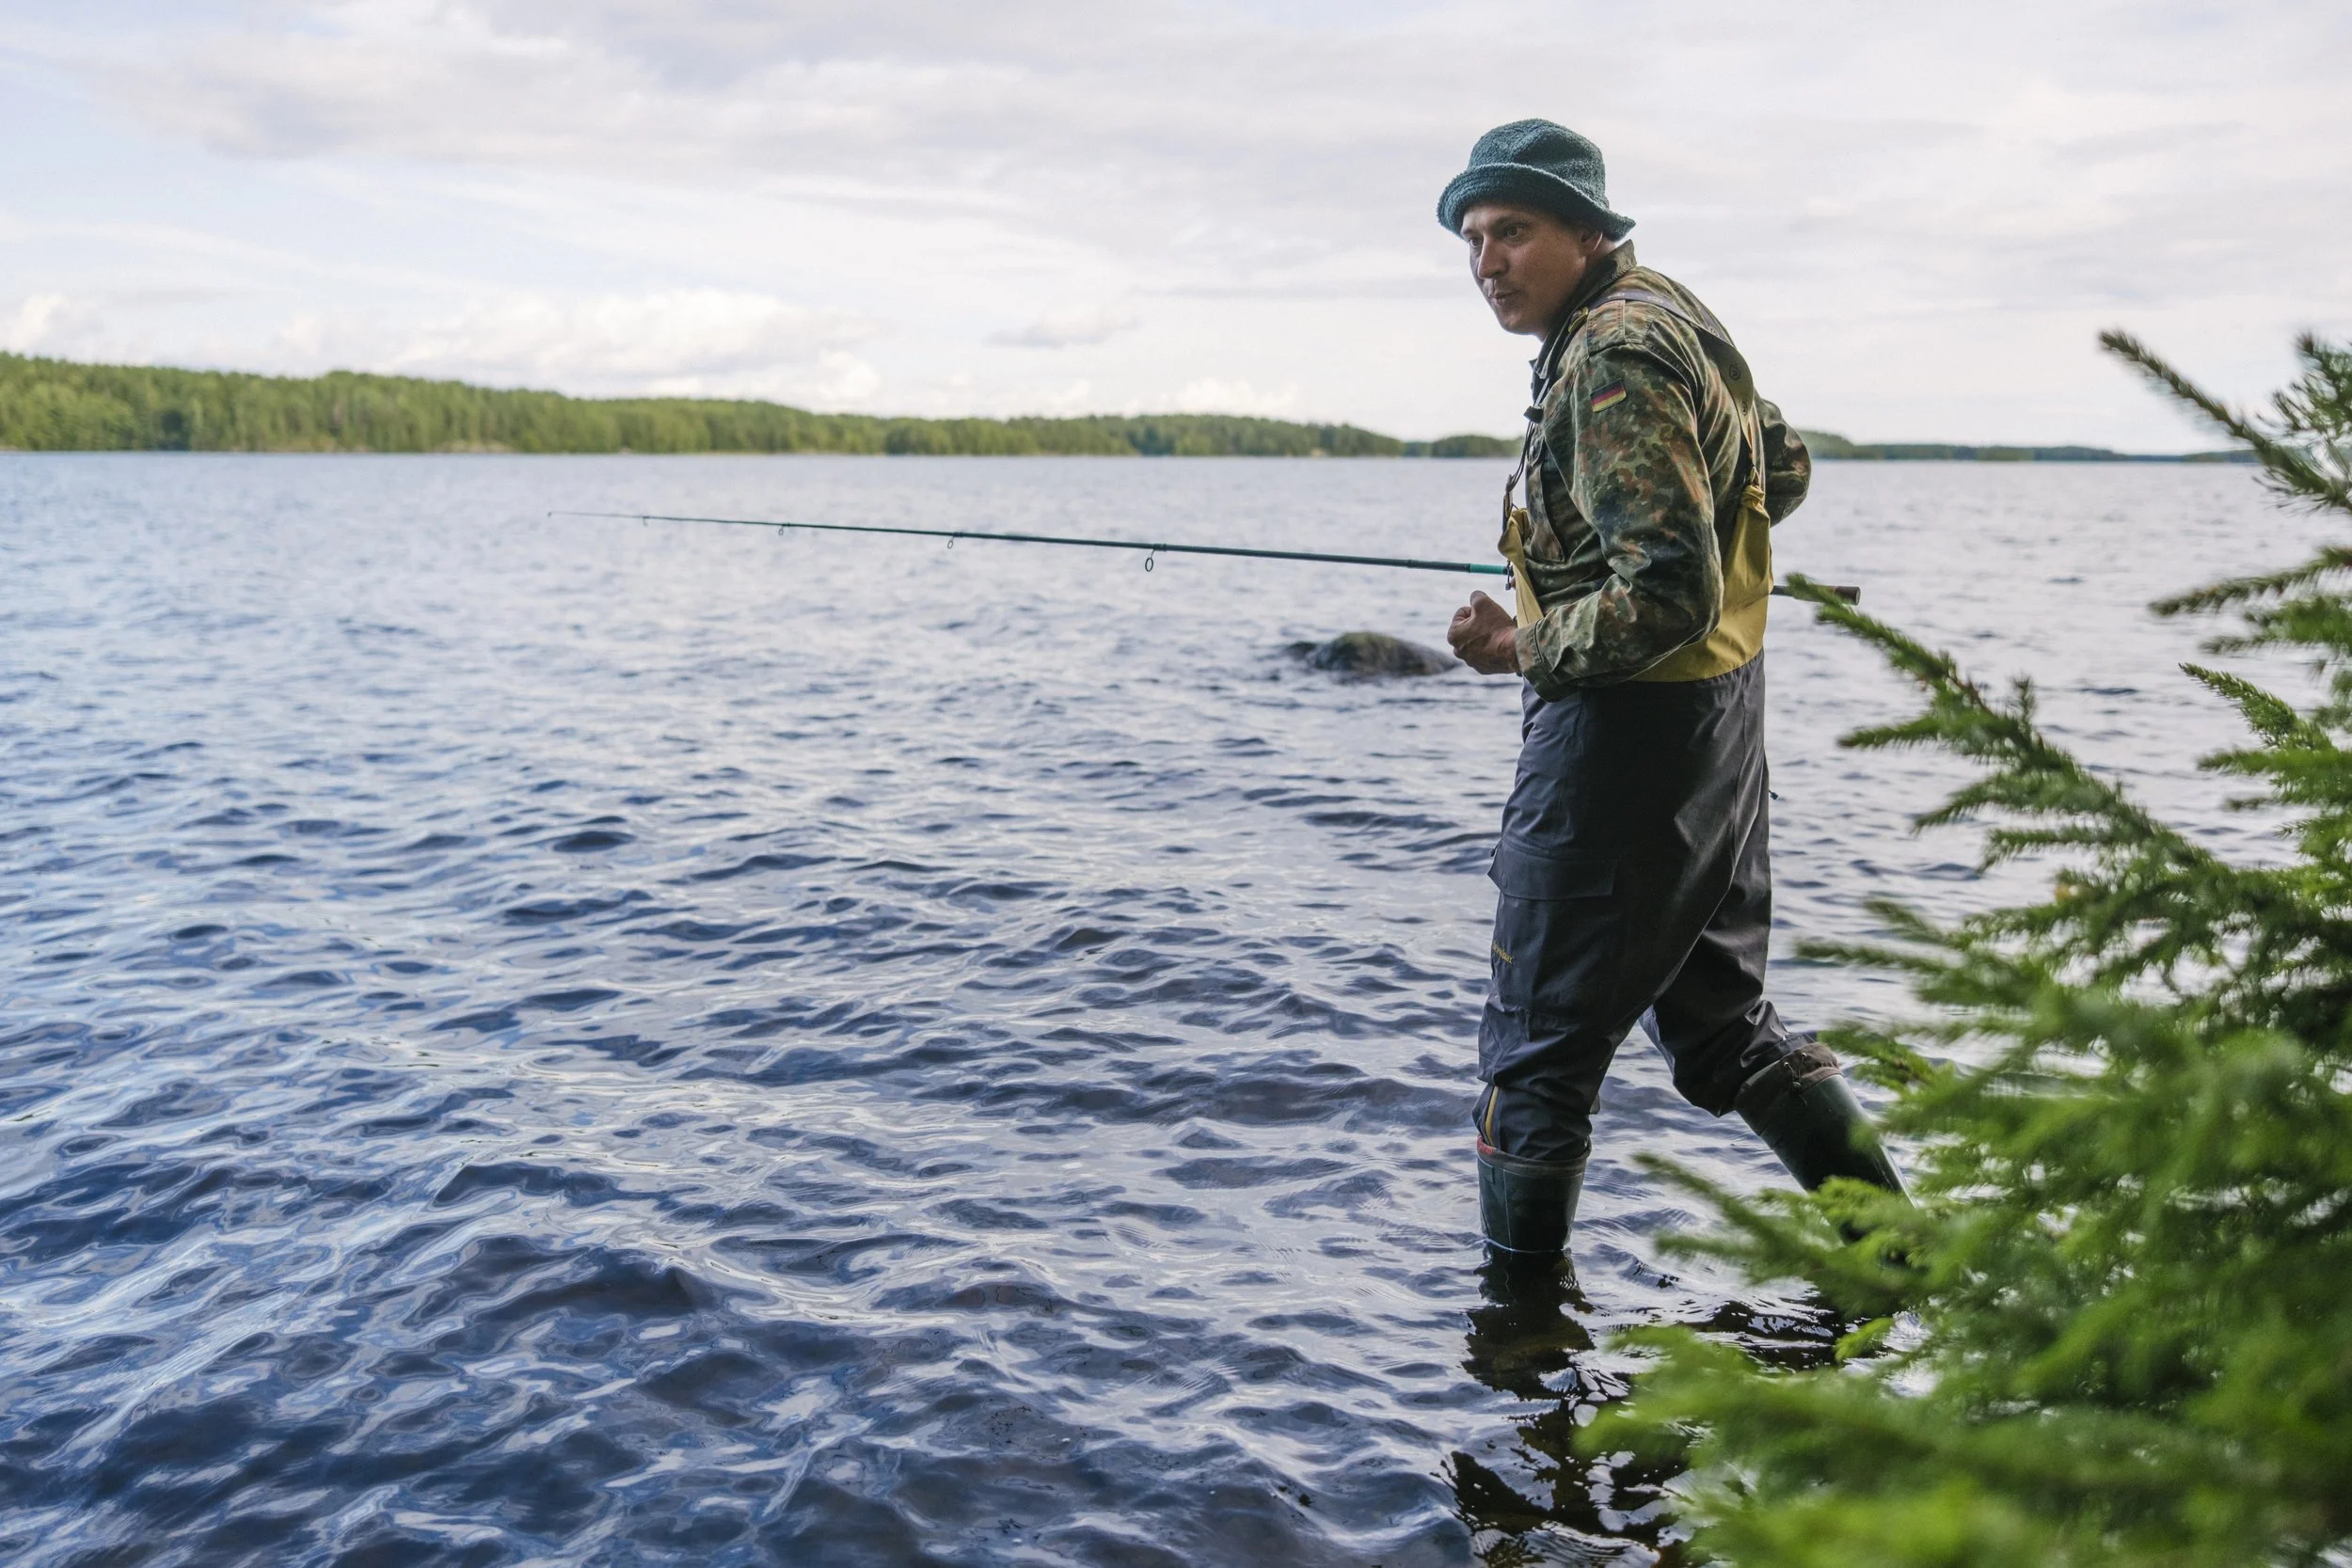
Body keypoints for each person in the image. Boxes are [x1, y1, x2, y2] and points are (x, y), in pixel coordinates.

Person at [1437, 119, 1904, 1261]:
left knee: (1535, 1061)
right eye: (1472, 238)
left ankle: (1522, 1358)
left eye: (1514, 232)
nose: (1487, 261)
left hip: (1621, 742)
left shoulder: (1608, 351)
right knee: (1724, 1020)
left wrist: (1525, 646)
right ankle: (1907, 1264)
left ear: (1589, 233)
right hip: (1717, 729)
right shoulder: (1674, 313)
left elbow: (1667, 592)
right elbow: (1778, 467)